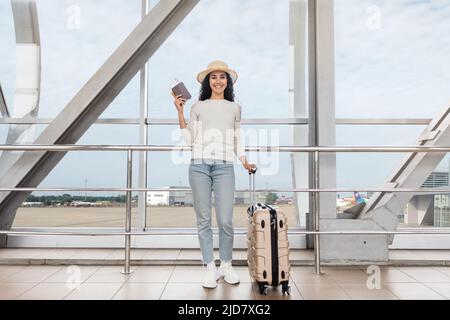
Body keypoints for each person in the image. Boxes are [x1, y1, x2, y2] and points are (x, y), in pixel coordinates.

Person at [172, 60, 256, 289]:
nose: (218, 81)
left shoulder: (235, 108)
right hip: (198, 164)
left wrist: (244, 161)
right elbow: (190, 140)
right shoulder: (197, 107)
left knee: (226, 220)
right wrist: (180, 112)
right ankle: (210, 267)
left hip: (224, 167)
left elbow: (237, 138)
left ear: (227, 82)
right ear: (208, 82)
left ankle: (226, 265)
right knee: (204, 220)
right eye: (213, 77)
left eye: (222, 77)